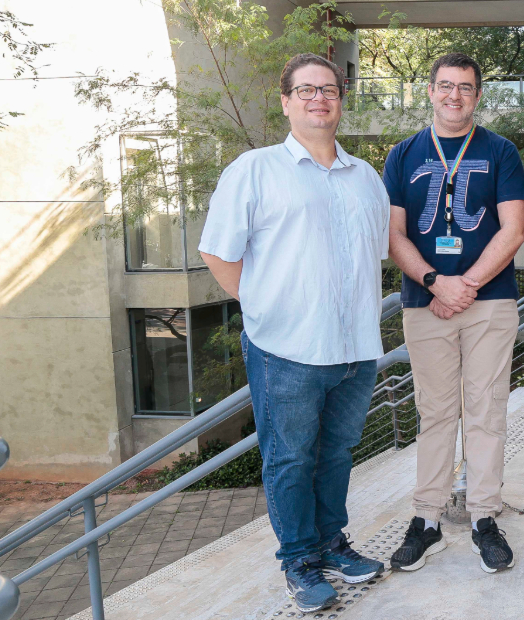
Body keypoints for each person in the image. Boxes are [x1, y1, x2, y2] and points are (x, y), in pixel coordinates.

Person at [198, 53, 387, 613]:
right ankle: (300, 561)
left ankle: (332, 544)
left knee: (337, 454)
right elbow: (217, 251)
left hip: (355, 346)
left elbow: (372, 254)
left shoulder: (365, 176)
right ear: (285, 102)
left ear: (340, 100)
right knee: (289, 458)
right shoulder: (254, 170)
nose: (318, 99)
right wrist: (264, 308)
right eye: (305, 91)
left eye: (328, 89)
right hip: (286, 348)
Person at [383, 53, 524, 574]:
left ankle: (484, 516)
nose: (454, 96)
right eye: (445, 86)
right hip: (426, 303)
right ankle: (427, 520)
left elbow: (513, 229)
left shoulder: (501, 151)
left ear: (478, 94)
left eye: (465, 87)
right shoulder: (402, 155)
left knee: (486, 409)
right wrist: (433, 282)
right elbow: (395, 234)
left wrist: (464, 285)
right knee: (436, 413)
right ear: (429, 91)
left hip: (488, 302)